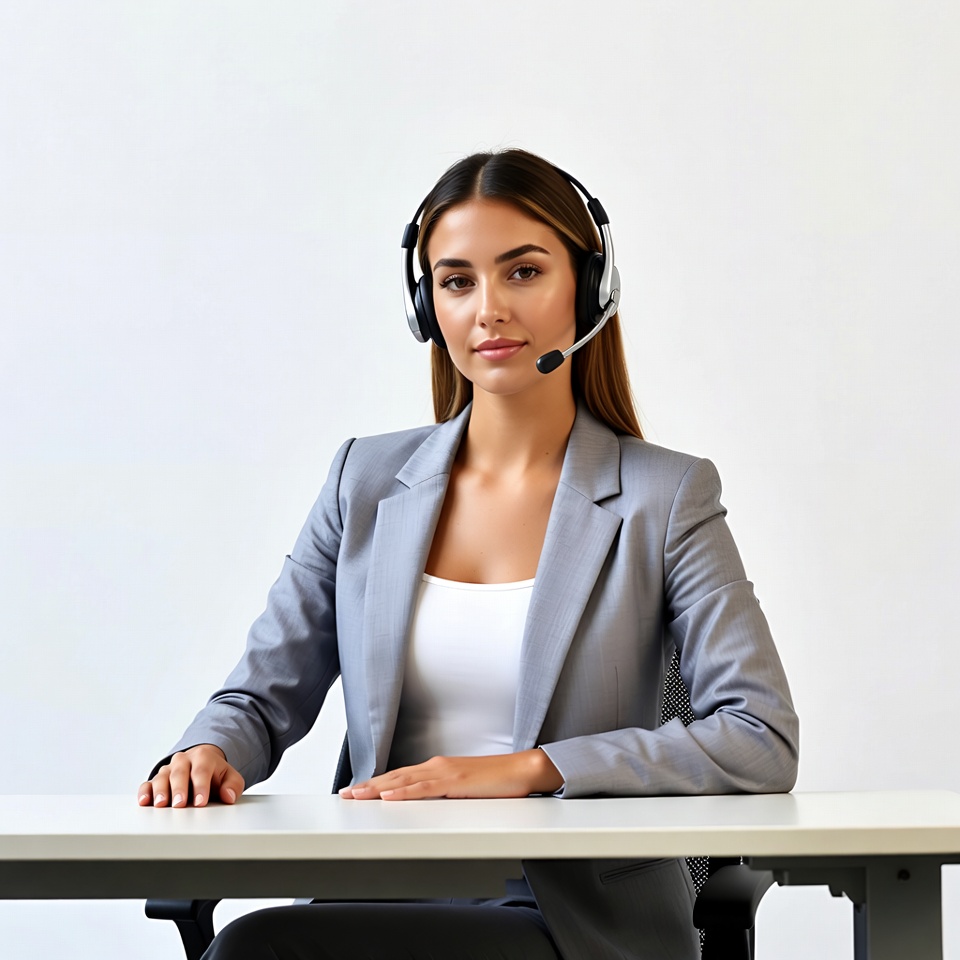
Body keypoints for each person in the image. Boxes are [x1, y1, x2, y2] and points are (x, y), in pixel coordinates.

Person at [139, 148, 799, 960]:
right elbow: (261, 697)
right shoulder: (364, 483)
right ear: (428, 308)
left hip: (571, 916)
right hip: (381, 888)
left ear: (587, 288)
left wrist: (531, 769)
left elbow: (759, 735)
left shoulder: (664, 497)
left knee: (261, 951)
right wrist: (206, 750)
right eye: (457, 281)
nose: (489, 310)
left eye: (523, 272)